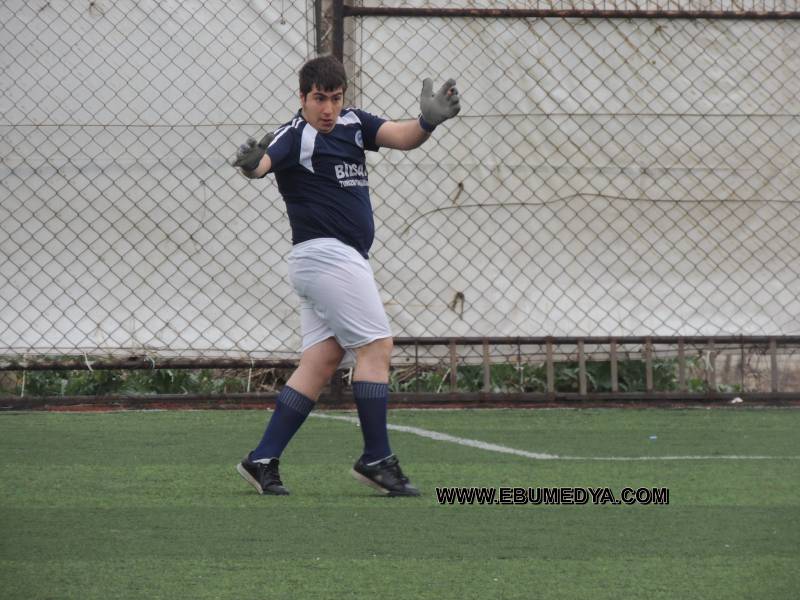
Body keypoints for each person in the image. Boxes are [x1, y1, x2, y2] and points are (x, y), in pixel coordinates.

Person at [231, 55, 460, 496]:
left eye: (335, 98)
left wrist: (428, 123)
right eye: (319, 99)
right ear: (302, 97)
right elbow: (262, 165)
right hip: (327, 257)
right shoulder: (293, 134)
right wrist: (250, 164)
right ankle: (376, 458)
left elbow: (401, 136)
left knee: (322, 360)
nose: (328, 109)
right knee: (377, 347)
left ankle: (262, 459)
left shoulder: (354, 123)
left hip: (330, 262)